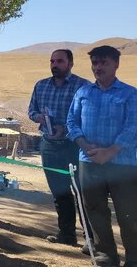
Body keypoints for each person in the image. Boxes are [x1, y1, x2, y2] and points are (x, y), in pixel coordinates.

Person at [67, 45, 137, 267]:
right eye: (95, 63)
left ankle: (134, 257)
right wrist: (85, 145)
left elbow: (133, 127)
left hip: (123, 164)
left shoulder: (130, 94)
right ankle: (106, 255)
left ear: (116, 64)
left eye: (103, 62)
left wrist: (110, 151)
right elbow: (72, 122)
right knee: (95, 210)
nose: (98, 67)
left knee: (128, 213)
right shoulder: (83, 92)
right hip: (89, 161)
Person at [28, 49, 91, 248]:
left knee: (83, 193)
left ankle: (92, 239)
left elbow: (88, 117)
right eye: (52, 61)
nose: (55, 64)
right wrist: (38, 117)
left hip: (73, 147)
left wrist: (65, 129)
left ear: (70, 63)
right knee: (59, 193)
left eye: (60, 61)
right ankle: (67, 234)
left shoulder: (83, 87)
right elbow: (31, 110)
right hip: (49, 146)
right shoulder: (41, 86)